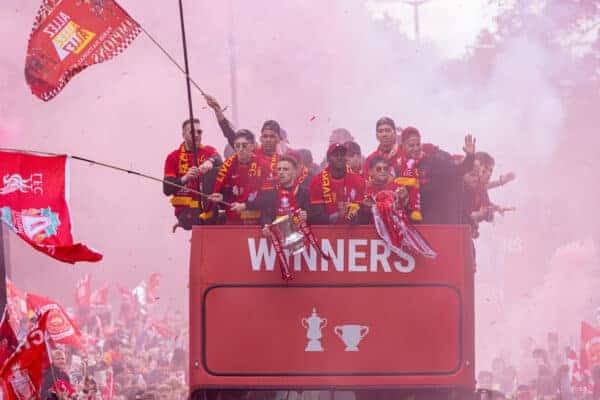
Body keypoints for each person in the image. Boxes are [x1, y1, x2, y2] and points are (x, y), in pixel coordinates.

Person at [163, 118, 222, 230]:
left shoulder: (209, 151)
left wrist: (210, 162)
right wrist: (185, 178)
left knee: (216, 170)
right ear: (183, 135)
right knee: (206, 221)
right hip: (187, 210)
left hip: (207, 208)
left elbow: (220, 160)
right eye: (192, 132)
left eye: (199, 132)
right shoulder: (173, 157)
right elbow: (166, 189)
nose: (196, 135)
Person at [415, 130, 476, 224]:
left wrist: (470, 156)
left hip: (438, 224)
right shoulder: (403, 166)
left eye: (417, 146)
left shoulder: (437, 164)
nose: (414, 149)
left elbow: (459, 170)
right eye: (411, 146)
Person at [208, 130, 266, 225]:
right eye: (237, 146)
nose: (240, 149)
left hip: (257, 220)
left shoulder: (263, 165)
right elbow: (228, 195)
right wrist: (222, 198)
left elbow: (268, 198)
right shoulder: (228, 166)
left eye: (244, 145)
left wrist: (245, 206)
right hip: (233, 218)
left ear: (252, 146)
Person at [230, 155, 309, 226]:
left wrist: (307, 216)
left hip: (301, 234)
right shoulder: (271, 193)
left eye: (285, 169)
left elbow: (313, 215)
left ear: (295, 172)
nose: (281, 172)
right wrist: (266, 226)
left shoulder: (304, 192)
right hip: (277, 236)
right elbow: (265, 215)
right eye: (279, 169)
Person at [309, 143, 365, 225]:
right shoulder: (317, 181)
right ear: (328, 159)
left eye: (342, 155)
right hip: (327, 232)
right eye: (335, 155)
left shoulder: (358, 180)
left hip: (353, 231)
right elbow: (316, 217)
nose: (339, 158)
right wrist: (338, 215)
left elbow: (363, 214)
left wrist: (355, 214)